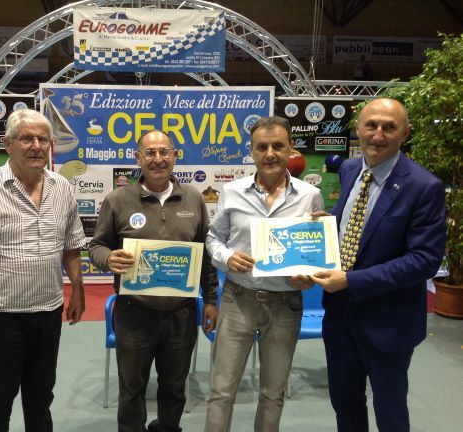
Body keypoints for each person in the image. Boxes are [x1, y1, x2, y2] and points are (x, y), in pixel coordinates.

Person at [311, 98, 446, 432]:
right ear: (358, 128)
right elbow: (362, 227)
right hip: (340, 318)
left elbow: (423, 261)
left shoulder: (424, 187)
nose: (379, 135)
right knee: (345, 402)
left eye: (389, 127)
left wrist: (350, 281)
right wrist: (327, 226)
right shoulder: (349, 170)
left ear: (405, 133)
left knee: (390, 409)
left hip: (389, 323)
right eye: (371, 125)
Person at [0, 109, 87, 432]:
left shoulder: (62, 188)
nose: (36, 145)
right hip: (1, 319)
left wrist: (77, 287)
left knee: (41, 401)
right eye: (27, 138)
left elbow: (71, 245)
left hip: (48, 314)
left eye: (43, 139)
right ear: (8, 144)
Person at [89, 129, 218, 432]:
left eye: (164, 152)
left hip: (182, 313)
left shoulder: (194, 199)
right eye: (150, 153)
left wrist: (211, 300)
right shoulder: (117, 199)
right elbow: (96, 246)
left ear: (175, 156)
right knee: (132, 388)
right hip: (134, 311)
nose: (158, 159)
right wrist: (108, 259)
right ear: (138, 158)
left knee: (174, 387)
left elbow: (207, 255)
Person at [204, 116, 324, 432]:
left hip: (287, 305)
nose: (270, 153)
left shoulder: (309, 196)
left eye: (277, 146)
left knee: (273, 395)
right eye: (262, 147)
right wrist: (227, 257)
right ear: (252, 152)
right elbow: (213, 238)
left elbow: (314, 254)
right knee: (221, 393)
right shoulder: (231, 192)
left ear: (290, 149)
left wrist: (310, 274)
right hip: (238, 300)